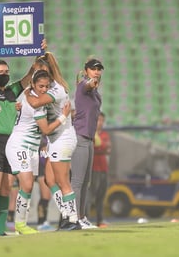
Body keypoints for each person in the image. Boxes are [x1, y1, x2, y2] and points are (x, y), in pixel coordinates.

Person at [0, 38, 47, 238]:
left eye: (7, 72)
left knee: (6, 187)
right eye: (0, 73)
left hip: (12, 143)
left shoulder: (14, 91)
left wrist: (39, 54)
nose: (4, 75)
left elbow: (31, 75)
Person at [5, 70, 71, 234]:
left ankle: (21, 224)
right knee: (26, 184)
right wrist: (63, 116)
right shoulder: (37, 104)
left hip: (31, 148)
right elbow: (46, 129)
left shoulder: (29, 96)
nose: (44, 89)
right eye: (41, 86)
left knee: (27, 186)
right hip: (20, 145)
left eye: (47, 86)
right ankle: (18, 224)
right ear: (33, 84)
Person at [25, 52, 81, 230]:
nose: (39, 72)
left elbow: (35, 103)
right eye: (37, 69)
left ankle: (72, 220)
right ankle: (66, 214)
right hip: (55, 139)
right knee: (50, 180)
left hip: (62, 138)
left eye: (43, 68)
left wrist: (27, 92)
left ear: (49, 70)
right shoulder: (44, 90)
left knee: (62, 181)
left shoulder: (55, 90)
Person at [70, 58, 104, 229]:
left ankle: (81, 217)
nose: (97, 71)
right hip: (80, 136)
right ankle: (74, 218)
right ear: (86, 71)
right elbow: (88, 84)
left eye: (99, 69)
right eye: (93, 68)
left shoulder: (96, 93)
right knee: (77, 181)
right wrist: (91, 81)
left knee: (86, 182)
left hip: (89, 139)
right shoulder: (84, 85)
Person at [87, 112, 111, 228]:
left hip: (104, 168)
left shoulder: (105, 134)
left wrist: (99, 147)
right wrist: (100, 147)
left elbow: (107, 148)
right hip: (93, 168)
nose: (100, 122)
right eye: (98, 120)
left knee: (101, 196)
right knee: (90, 196)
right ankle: (85, 219)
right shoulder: (89, 134)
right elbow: (98, 147)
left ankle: (100, 220)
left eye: (102, 120)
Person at [36, 137, 56, 231]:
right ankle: (41, 222)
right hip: (42, 170)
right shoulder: (43, 140)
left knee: (46, 197)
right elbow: (43, 157)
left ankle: (44, 221)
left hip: (46, 169)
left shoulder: (48, 138)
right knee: (45, 196)